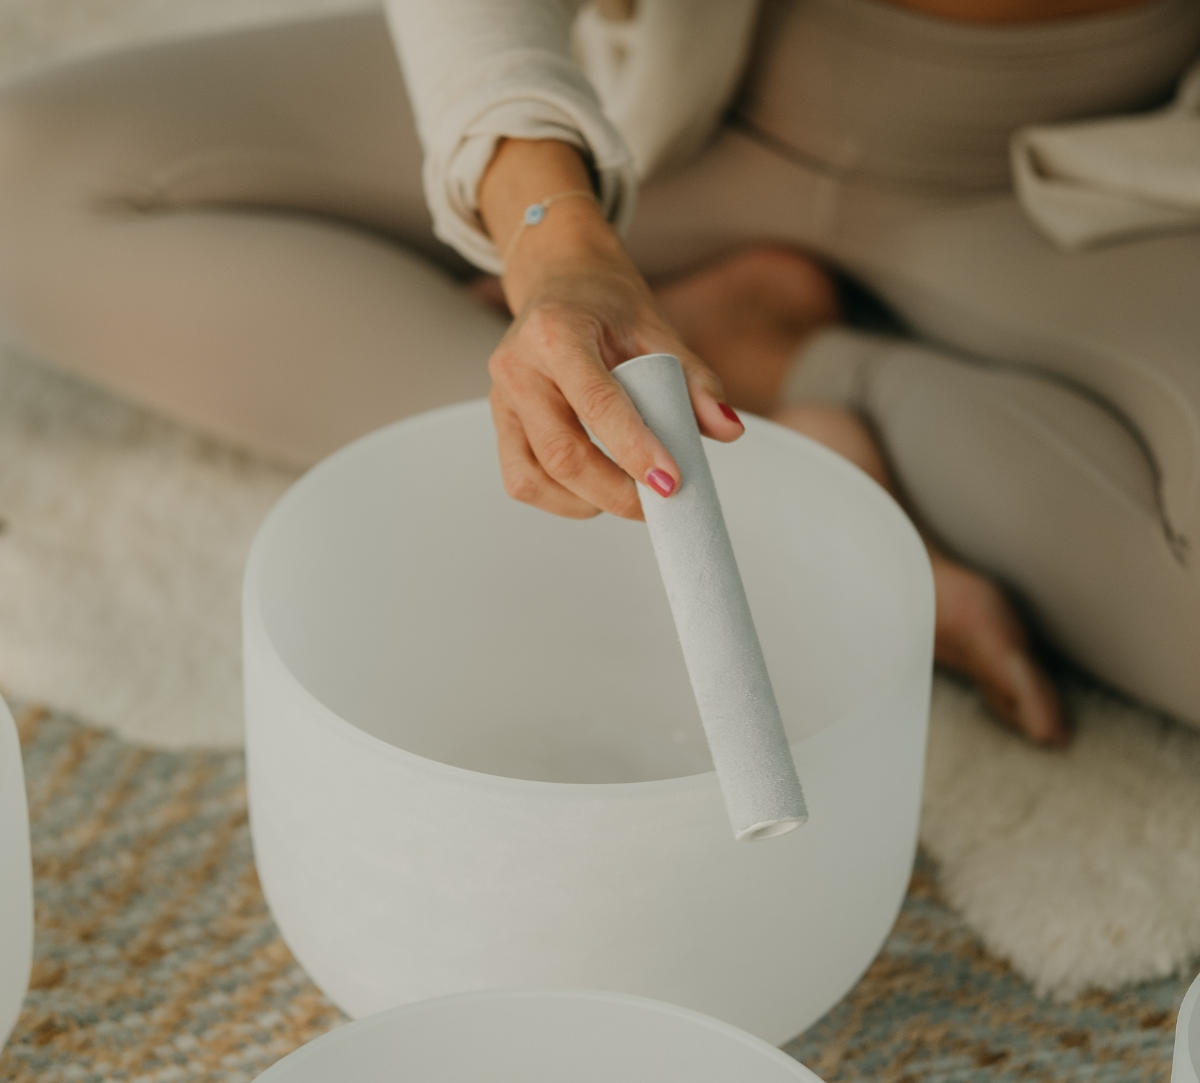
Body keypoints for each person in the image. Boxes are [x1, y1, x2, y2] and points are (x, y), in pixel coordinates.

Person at [1, 0, 1197, 744]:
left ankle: (788, 359)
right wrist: (557, 244)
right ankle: (741, 457)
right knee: (27, 177)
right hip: (692, 89)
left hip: (1093, 180)